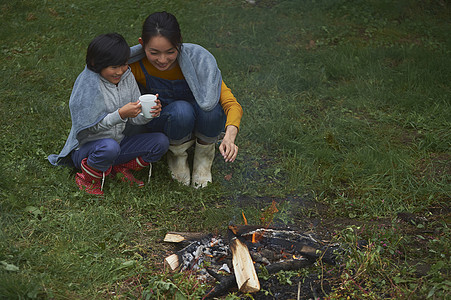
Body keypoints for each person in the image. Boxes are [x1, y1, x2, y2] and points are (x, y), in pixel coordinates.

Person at [128, 11, 243, 188]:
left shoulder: (198, 62)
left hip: (200, 119)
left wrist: (229, 136)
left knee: (212, 110)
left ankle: (203, 159)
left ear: (179, 43)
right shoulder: (135, 65)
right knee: (182, 110)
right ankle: (177, 156)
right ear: (142, 44)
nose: (162, 59)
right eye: (154, 53)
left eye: (170, 52)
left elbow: (231, 104)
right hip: (167, 120)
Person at [48, 33, 169, 195]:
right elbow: (88, 129)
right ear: (95, 64)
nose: (120, 71)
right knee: (108, 147)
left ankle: (118, 168)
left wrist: (149, 113)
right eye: (113, 67)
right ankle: (87, 177)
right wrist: (120, 114)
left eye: (124, 64)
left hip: (118, 143)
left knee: (160, 141)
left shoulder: (127, 76)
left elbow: (135, 119)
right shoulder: (89, 85)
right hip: (86, 149)